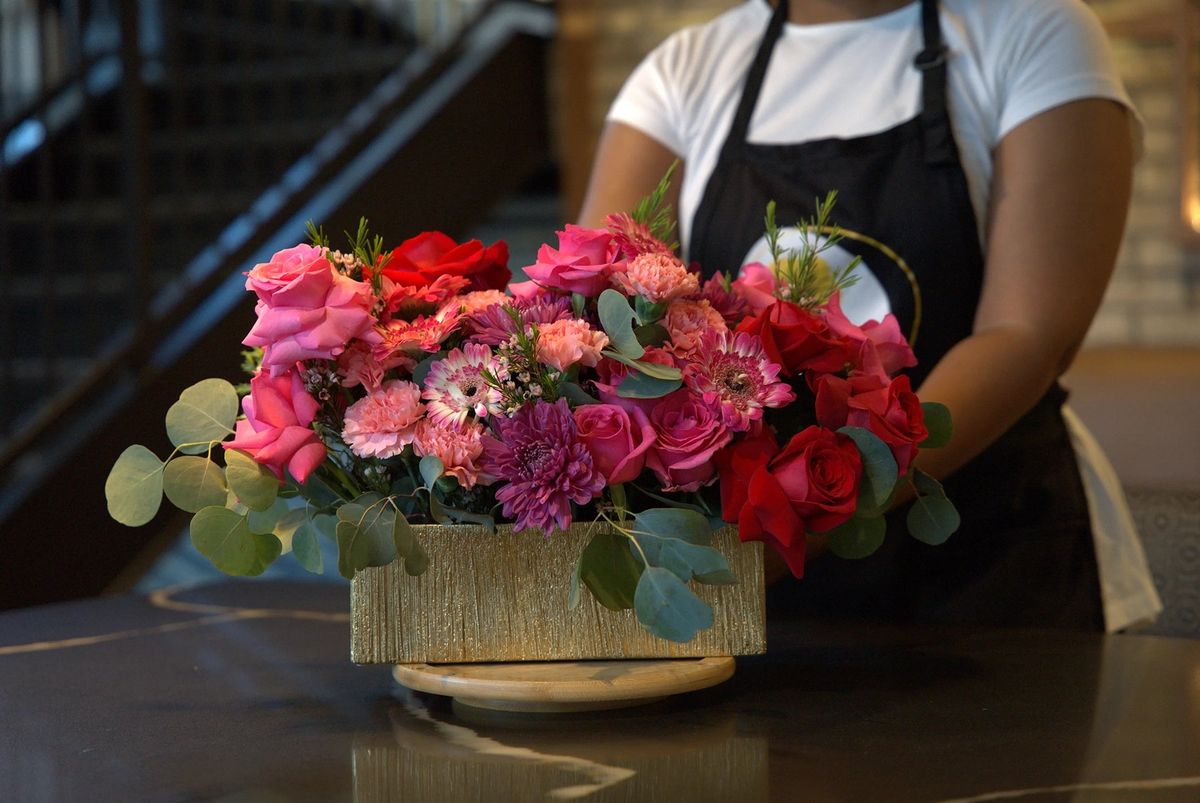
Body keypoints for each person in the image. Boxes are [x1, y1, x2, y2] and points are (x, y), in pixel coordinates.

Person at [578, 0, 1162, 631]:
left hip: (984, 560)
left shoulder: (1034, 32)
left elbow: (1026, 336)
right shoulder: (687, 70)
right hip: (746, 572)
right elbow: (594, 324)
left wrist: (818, 515)